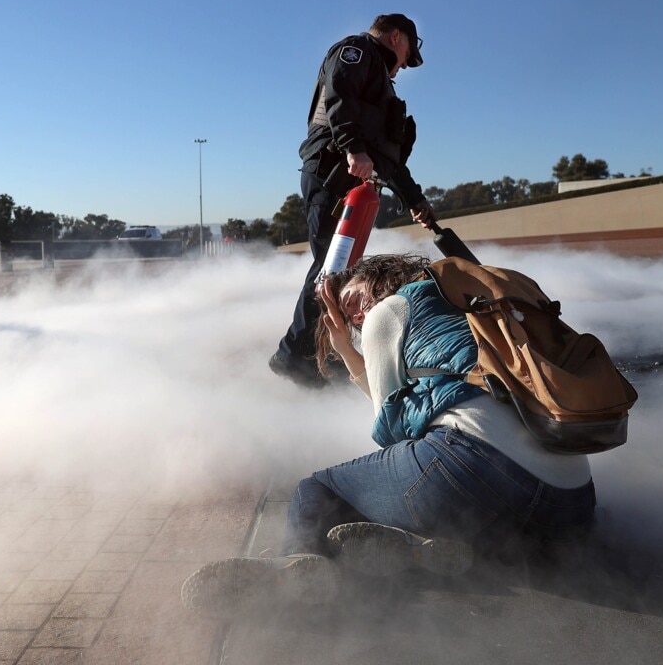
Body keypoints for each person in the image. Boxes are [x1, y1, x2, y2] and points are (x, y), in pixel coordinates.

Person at [183, 254, 596, 618]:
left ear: (380, 276)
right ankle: (423, 547)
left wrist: (349, 343)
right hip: (571, 504)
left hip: (471, 469)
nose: (357, 316)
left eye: (353, 301)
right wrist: (348, 345)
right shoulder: (471, 310)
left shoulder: (394, 308)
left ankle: (295, 565)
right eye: (348, 318)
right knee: (460, 508)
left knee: (320, 488)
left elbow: (392, 428)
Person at [269, 14, 437, 389]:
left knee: (339, 271)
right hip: (332, 171)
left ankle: (320, 353)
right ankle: (294, 358)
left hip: (352, 180)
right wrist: (353, 149)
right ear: (397, 36)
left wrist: (415, 200)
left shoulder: (380, 84)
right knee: (331, 269)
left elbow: (387, 157)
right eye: (407, 52)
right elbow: (339, 94)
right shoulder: (357, 52)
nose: (403, 66)